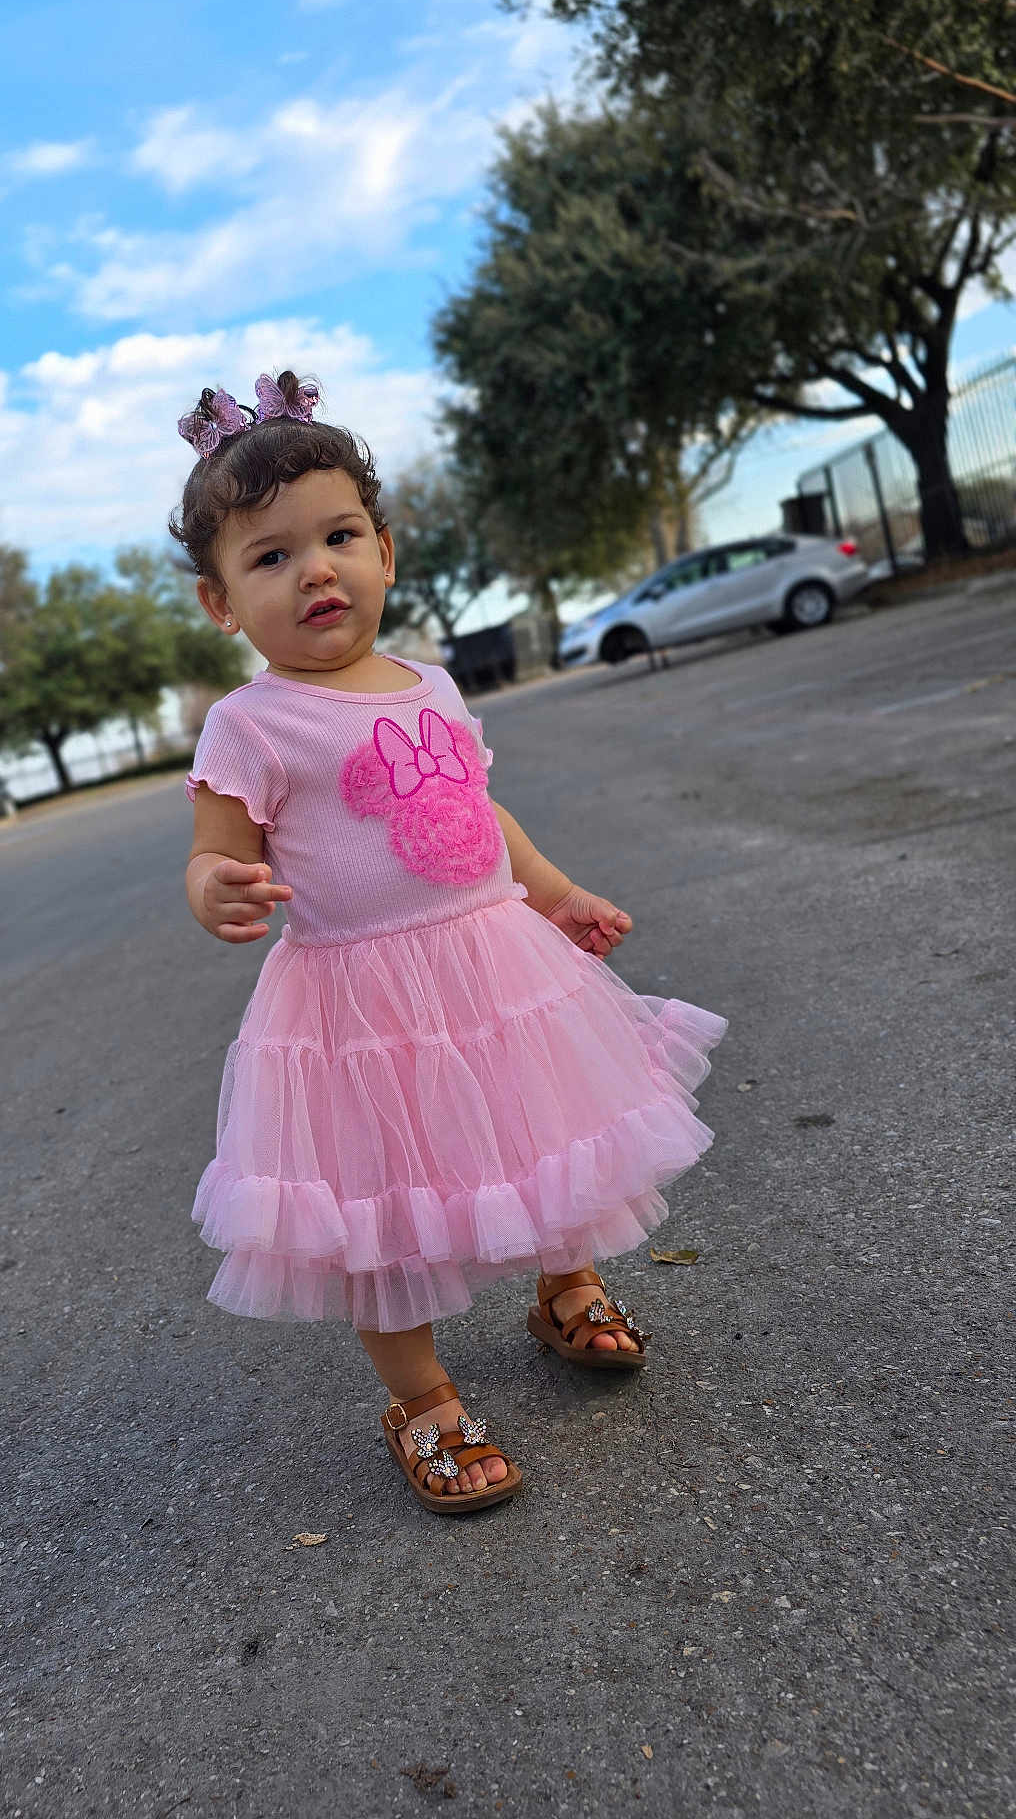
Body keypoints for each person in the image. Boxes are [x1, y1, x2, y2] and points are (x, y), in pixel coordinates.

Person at [175, 371, 726, 1514]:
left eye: (336, 538)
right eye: (269, 558)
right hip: (359, 1007)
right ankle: (422, 1399)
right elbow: (211, 847)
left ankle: (565, 1284)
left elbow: (480, 816)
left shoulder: (430, 680)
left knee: (544, 1137)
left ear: (383, 547)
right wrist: (213, 887)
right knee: (387, 1213)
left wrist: (556, 893)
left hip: (493, 963)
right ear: (221, 604)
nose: (314, 570)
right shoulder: (250, 722)